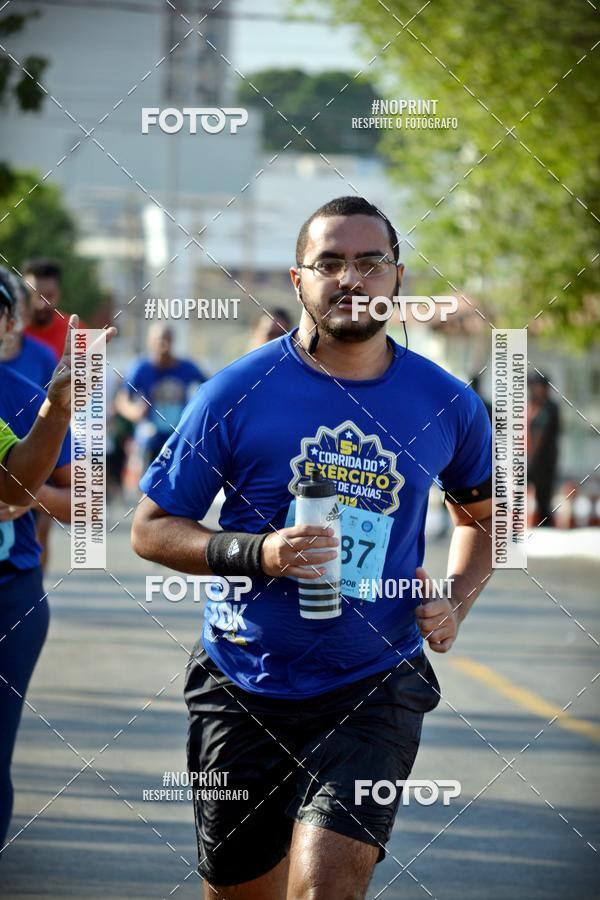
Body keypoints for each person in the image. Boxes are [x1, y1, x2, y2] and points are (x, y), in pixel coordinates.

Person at [132, 196, 493, 899]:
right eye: (329, 263)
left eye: (369, 262)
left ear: (397, 279)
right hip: (243, 681)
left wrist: (455, 600)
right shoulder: (236, 391)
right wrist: (259, 556)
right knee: (242, 892)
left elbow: (482, 517)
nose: (351, 279)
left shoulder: (448, 402)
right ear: (298, 281)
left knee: (325, 887)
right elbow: (151, 527)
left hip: (373, 683)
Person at [0, 270, 72, 846]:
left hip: (11, 591)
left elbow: (89, 508)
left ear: (10, 323)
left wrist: (25, 499)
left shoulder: (26, 391)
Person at [115, 323, 207, 470]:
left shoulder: (187, 368)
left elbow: (209, 388)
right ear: (149, 342)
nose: (162, 344)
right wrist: (134, 412)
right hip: (150, 437)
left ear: (173, 341)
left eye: (166, 339)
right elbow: (122, 400)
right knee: (149, 481)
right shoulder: (141, 368)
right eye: (158, 340)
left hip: (178, 435)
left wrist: (197, 411)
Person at [0, 277, 58, 388]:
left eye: (16, 310)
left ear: (28, 315)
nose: (8, 316)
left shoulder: (44, 357)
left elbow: (51, 402)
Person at [527, 372, 560, 526]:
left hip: (543, 461)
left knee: (543, 498)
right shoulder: (533, 404)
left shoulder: (549, 408)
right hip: (530, 459)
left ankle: (547, 525)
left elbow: (541, 434)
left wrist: (531, 457)